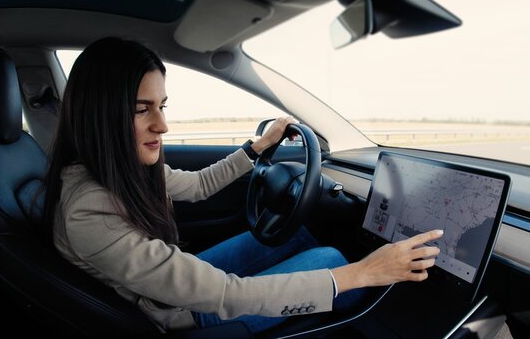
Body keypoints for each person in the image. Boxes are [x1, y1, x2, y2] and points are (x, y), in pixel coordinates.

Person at [42, 37, 443, 334]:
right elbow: (227, 294)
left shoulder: (117, 169)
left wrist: (257, 149)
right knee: (335, 263)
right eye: (141, 109)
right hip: (171, 313)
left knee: (296, 237)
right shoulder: (89, 209)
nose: (162, 126)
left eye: (162, 106)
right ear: (101, 114)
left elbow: (197, 185)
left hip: (168, 284)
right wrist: (364, 273)